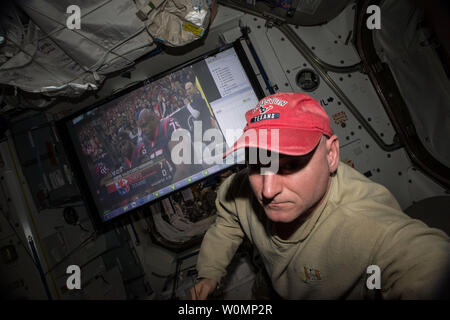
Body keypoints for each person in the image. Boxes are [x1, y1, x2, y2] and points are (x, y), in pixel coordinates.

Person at [190, 92, 450, 300]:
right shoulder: (239, 189)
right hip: (269, 283)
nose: (268, 191)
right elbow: (227, 223)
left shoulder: (366, 225)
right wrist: (210, 274)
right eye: (259, 165)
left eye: (290, 165)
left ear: (331, 154)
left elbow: (424, 262)